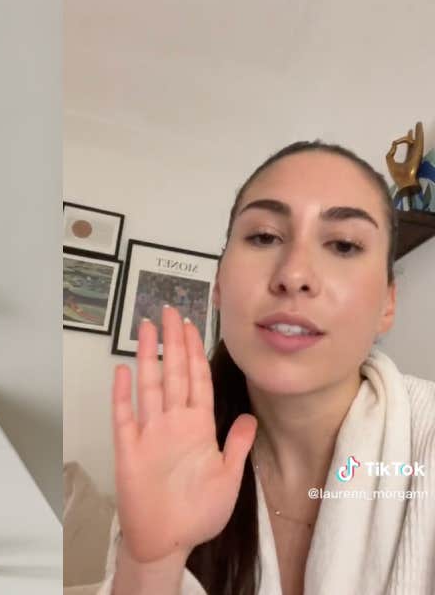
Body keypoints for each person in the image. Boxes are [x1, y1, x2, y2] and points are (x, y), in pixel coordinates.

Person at [99, 141, 435, 595]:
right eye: (264, 236)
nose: (294, 273)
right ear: (218, 284)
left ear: (388, 303)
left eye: (343, 244)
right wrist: (151, 563)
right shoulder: (171, 461)